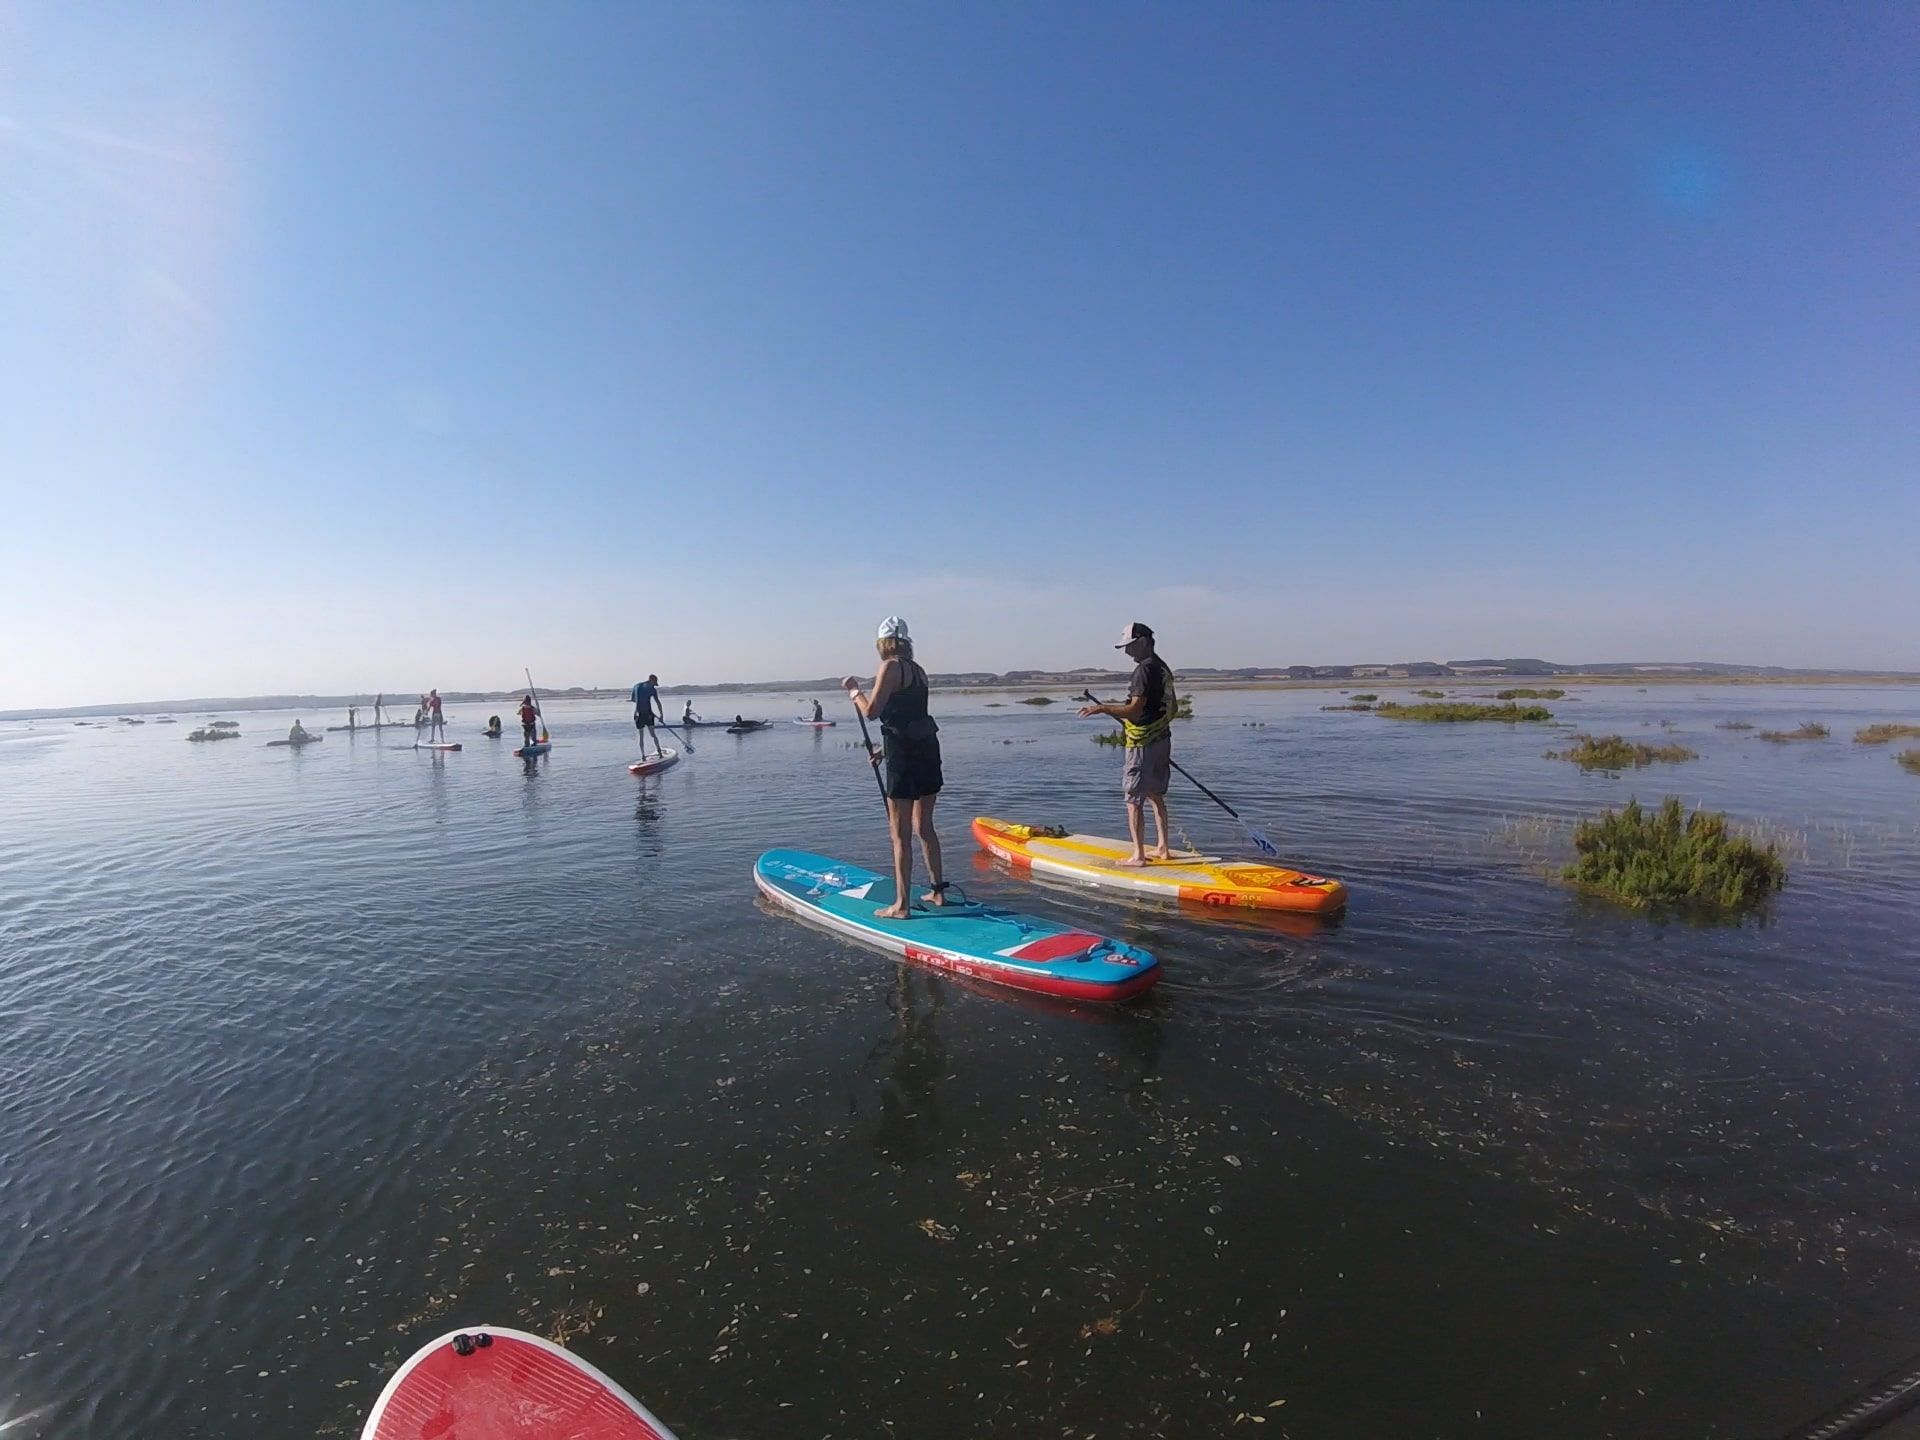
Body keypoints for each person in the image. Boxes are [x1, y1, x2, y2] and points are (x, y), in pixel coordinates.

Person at [844, 616, 946, 919]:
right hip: (927, 751)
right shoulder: (919, 671)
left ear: (883, 643)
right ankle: (937, 891)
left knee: (899, 833)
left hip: (907, 758)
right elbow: (908, 719)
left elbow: (873, 712)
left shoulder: (890, 667)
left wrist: (854, 692)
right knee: (924, 827)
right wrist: (883, 751)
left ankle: (901, 906)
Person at [1079, 621, 1175, 865]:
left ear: (1142, 642)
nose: (1127, 652)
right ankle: (1163, 848)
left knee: (1133, 799)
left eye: (1130, 646)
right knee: (1155, 793)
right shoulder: (1162, 667)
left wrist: (1102, 708)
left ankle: (1138, 855)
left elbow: (1134, 710)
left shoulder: (1144, 670)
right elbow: (1165, 707)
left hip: (1142, 743)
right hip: (1162, 738)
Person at [630, 674, 665, 759]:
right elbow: (658, 702)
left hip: (640, 714)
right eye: (654, 683)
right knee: (649, 735)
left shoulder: (636, 686)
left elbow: (633, 700)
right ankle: (653, 754)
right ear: (651, 680)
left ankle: (648, 755)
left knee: (646, 735)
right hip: (645, 715)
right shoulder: (651, 689)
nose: (654, 685)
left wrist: (660, 715)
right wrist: (661, 716)